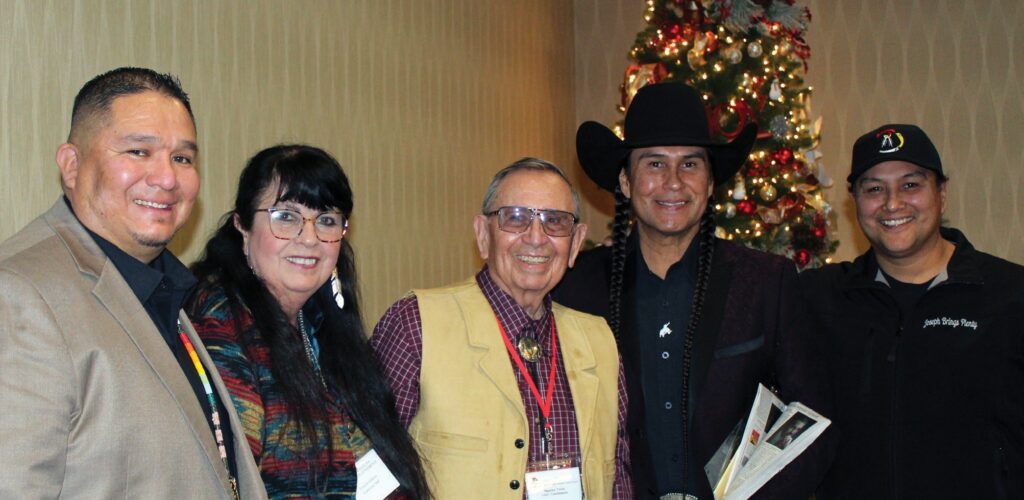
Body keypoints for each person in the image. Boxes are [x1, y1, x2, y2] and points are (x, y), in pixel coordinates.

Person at [556, 82, 834, 498]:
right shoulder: (576, 289)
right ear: (626, 182)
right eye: (653, 164)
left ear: (710, 182)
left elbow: (813, 421)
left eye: (690, 165)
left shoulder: (766, 283)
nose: (673, 182)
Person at [0, 67, 264, 498]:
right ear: (72, 164)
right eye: (139, 151)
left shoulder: (160, 288)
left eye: (182, 158)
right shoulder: (19, 295)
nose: (166, 178)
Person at [372, 158, 633, 498]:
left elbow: (620, 479)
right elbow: (370, 470)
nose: (536, 237)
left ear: (575, 242)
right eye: (516, 218)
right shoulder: (415, 324)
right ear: (482, 235)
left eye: (555, 221)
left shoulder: (599, 341)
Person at [186, 145, 429, 499]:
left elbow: (368, 462)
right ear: (242, 226)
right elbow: (223, 481)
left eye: (327, 220)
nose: (310, 238)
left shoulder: (316, 323)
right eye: (286, 217)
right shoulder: (219, 325)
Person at [801, 124, 1024, 499]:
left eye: (910, 185)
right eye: (874, 189)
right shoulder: (818, 298)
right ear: (854, 201)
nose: (892, 203)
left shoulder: (1010, 295)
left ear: (942, 194)